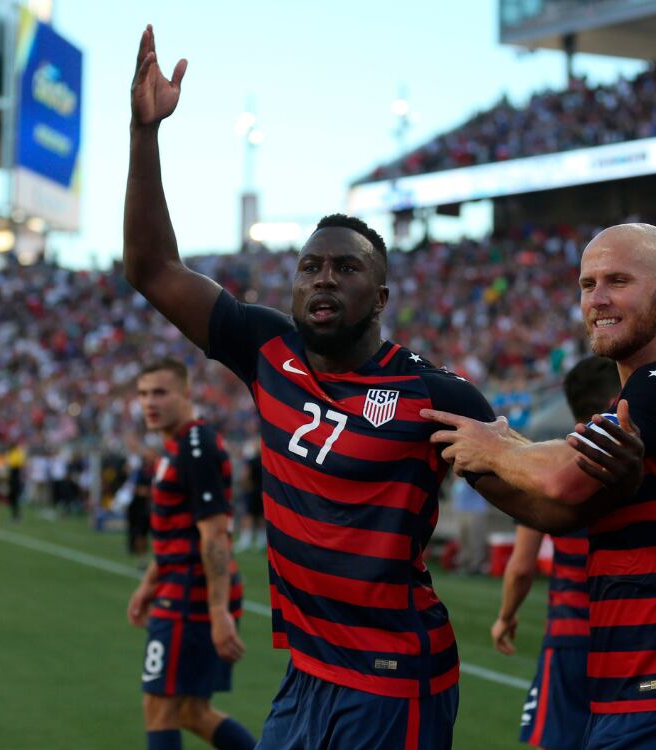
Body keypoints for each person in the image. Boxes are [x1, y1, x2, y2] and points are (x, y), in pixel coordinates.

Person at [124, 27, 496, 747]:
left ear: (381, 294)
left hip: (395, 677)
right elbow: (151, 267)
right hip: (308, 670)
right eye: (310, 266)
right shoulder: (266, 347)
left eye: (345, 268)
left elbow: (529, 492)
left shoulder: (435, 393)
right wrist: (145, 134)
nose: (323, 276)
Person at [424, 223, 656, 749]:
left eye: (617, 280)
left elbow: (557, 475)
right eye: (587, 284)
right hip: (643, 686)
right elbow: (559, 509)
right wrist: (479, 462)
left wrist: (496, 448)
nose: (597, 298)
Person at [124, 359, 256, 750]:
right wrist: (149, 583)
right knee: (191, 712)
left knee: (159, 707)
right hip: (178, 586)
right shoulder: (175, 446)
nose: (150, 402)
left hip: (190, 594)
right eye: (144, 394)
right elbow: (176, 534)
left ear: (186, 395)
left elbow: (214, 535)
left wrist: (218, 613)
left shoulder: (196, 448)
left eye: (160, 393)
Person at [493, 356, 618, 750]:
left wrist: (506, 616)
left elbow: (521, 567)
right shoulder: (640, 464)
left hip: (570, 636)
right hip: (629, 637)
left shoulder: (554, 470)